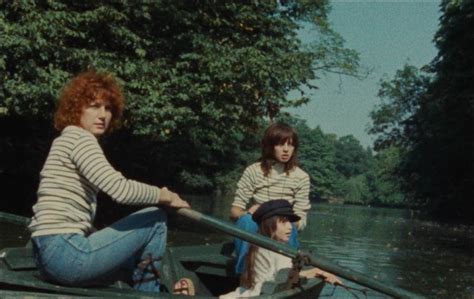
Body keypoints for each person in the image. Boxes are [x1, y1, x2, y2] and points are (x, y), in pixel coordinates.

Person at [28, 69, 194, 295]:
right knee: (155, 219)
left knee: (129, 262)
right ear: (76, 109)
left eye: (108, 108)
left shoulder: (64, 139)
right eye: (94, 106)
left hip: (46, 256)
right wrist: (165, 195)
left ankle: (150, 287)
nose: (103, 115)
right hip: (66, 254)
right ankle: (151, 294)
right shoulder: (80, 139)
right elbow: (120, 190)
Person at [230, 122, 311, 274]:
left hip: (285, 224)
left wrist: (281, 220)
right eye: (280, 144)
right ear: (270, 146)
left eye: (291, 145)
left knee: (290, 226)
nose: (286, 149)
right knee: (246, 221)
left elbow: (300, 220)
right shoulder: (253, 171)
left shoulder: (301, 177)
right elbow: (234, 212)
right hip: (256, 224)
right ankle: (244, 274)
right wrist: (250, 213)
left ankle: (287, 273)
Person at [221, 200, 341, 298]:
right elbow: (286, 278)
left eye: (290, 222)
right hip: (260, 294)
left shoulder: (259, 245)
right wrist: (317, 272)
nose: (290, 227)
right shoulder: (276, 251)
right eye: (284, 222)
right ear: (270, 225)